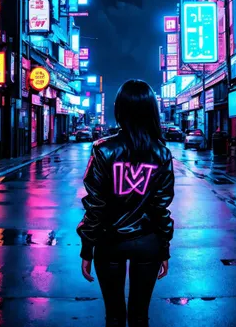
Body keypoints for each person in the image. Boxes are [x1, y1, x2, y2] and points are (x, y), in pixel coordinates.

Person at [77, 79, 175, 327]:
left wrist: (87, 248)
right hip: (147, 242)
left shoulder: (103, 149)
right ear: (152, 110)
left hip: (109, 242)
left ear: (119, 110)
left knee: (114, 316)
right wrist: (163, 248)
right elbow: (161, 207)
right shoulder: (162, 153)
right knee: (140, 316)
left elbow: (95, 205)